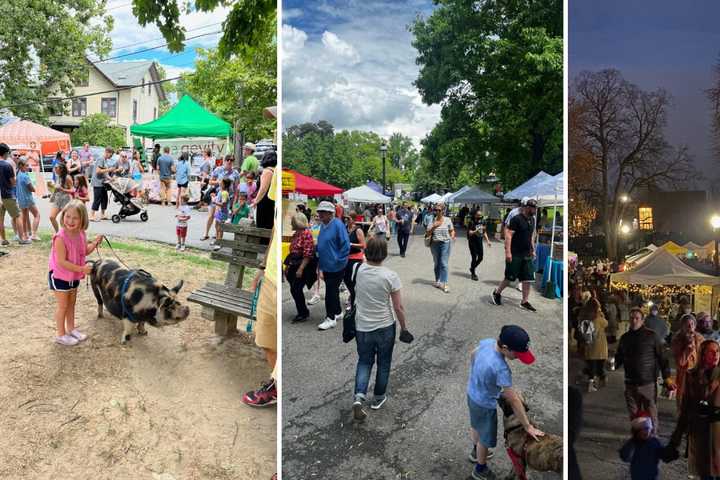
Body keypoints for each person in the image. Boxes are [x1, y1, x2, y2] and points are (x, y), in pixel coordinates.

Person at [466, 325, 544, 480]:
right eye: (517, 354)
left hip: (472, 393)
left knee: (475, 425)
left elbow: (472, 354)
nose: (518, 358)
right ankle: (480, 469)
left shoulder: (488, 343)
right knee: (485, 438)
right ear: (506, 348)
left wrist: (477, 374)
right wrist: (527, 426)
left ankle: (475, 452)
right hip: (485, 405)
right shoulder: (501, 369)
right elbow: (513, 399)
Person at [352, 236, 413, 422]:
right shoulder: (390, 276)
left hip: (362, 325)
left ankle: (359, 396)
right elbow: (398, 307)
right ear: (384, 254)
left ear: (366, 251)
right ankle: (378, 398)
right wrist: (404, 327)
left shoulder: (357, 269)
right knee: (383, 363)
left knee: (364, 361)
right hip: (385, 325)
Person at [242, 169, 278, 408]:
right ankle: (277, 387)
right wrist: (263, 267)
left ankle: (276, 385)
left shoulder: (272, 173)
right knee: (266, 340)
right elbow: (276, 227)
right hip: (270, 276)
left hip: (279, 281)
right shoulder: (274, 177)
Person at [48, 200, 104, 345]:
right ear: (63, 216)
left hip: (73, 276)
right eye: (67, 216)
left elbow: (84, 251)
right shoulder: (60, 238)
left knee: (71, 303)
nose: (70, 221)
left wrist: (95, 242)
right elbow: (62, 262)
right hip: (60, 276)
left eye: (75, 218)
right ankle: (60, 335)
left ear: (82, 220)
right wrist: (82, 269)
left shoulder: (81, 234)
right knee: (63, 306)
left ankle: (71, 329)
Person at [615, 307, 674, 435]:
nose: (634, 321)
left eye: (637, 318)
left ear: (642, 320)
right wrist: (613, 363)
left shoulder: (652, 336)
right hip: (630, 382)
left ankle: (652, 438)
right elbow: (619, 357)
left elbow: (662, 358)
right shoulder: (625, 338)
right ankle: (637, 438)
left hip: (648, 383)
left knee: (651, 412)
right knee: (634, 415)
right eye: (632, 318)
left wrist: (667, 377)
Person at [668, 339, 720, 479]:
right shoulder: (692, 376)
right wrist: (675, 440)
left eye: (717, 351)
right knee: (705, 473)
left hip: (717, 431)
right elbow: (686, 408)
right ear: (702, 354)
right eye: (711, 351)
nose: (715, 355)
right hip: (700, 432)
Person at [491, 198, 538, 311]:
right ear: (526, 207)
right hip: (515, 253)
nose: (534, 210)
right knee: (510, 277)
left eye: (535, 207)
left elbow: (531, 236)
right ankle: (497, 293)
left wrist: (533, 249)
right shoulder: (516, 219)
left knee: (527, 278)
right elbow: (509, 235)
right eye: (532, 207)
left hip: (526, 253)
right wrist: (508, 252)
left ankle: (524, 301)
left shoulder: (532, 219)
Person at [315, 200, 350, 331]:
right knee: (333, 290)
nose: (320, 215)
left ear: (330, 213)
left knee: (329, 292)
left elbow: (346, 246)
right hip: (326, 264)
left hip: (336, 266)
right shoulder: (323, 225)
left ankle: (330, 318)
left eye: (323, 212)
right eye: (319, 212)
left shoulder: (337, 225)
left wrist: (338, 260)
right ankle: (337, 311)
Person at [285, 213, 317, 323]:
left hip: (302, 265)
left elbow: (308, 254)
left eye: (293, 221)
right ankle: (302, 311)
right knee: (294, 289)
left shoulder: (306, 233)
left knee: (296, 289)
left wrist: (301, 269)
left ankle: (303, 313)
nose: (291, 223)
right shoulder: (296, 233)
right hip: (293, 264)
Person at [671, 313, 705, 410]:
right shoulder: (677, 339)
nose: (690, 327)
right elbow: (680, 362)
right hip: (683, 374)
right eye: (687, 325)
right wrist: (687, 349)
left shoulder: (699, 338)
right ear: (682, 326)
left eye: (692, 324)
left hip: (697, 373)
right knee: (682, 400)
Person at [202, 156, 239, 240]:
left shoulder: (235, 173)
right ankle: (206, 233)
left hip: (226, 198)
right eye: (227, 160)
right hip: (216, 195)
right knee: (211, 215)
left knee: (219, 217)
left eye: (231, 160)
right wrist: (219, 182)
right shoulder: (218, 169)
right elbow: (210, 181)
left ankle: (217, 236)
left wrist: (234, 203)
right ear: (224, 161)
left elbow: (236, 189)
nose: (229, 161)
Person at [0, 144, 30, 246]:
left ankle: (3, 239)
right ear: (6, 153)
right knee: (18, 215)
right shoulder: (7, 165)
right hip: (7, 195)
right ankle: (22, 239)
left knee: (1, 218)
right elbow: (13, 183)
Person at [425, 202, 455, 293]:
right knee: (437, 263)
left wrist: (452, 236)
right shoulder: (432, 220)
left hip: (445, 243)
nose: (437, 212)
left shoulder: (448, 220)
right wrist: (434, 227)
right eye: (436, 210)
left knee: (443, 263)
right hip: (434, 244)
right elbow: (427, 233)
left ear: (443, 211)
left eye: (439, 210)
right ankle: (438, 280)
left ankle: (445, 283)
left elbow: (452, 230)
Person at [581, 298, 608, 392]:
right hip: (599, 345)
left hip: (589, 344)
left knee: (591, 365)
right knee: (599, 365)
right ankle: (599, 380)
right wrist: (602, 315)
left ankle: (592, 382)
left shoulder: (586, 317)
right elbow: (606, 324)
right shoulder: (598, 319)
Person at [343, 212, 366, 308]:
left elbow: (363, 245)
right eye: (345, 218)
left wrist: (351, 244)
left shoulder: (358, 230)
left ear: (353, 219)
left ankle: (353, 302)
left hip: (356, 258)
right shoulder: (344, 228)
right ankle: (352, 296)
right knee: (346, 280)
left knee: (352, 280)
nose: (346, 220)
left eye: (348, 218)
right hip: (345, 258)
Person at [15, 157, 40, 241]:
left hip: (21, 199)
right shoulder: (25, 176)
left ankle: (25, 235)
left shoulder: (18, 174)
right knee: (37, 215)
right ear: (21, 166)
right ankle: (34, 234)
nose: (27, 167)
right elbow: (32, 188)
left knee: (24, 217)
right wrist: (34, 188)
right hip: (27, 199)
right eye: (26, 165)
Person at [252, 151, 276, 231]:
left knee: (262, 226)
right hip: (271, 201)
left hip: (264, 202)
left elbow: (263, 189)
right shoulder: (274, 171)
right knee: (269, 224)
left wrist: (256, 201)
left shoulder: (267, 171)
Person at [90, 147, 113, 222]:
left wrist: (110, 179)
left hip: (103, 183)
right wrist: (109, 169)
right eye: (111, 154)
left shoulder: (105, 160)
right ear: (107, 152)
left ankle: (102, 214)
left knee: (104, 198)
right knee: (97, 199)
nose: (111, 156)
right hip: (97, 182)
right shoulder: (100, 159)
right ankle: (92, 215)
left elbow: (105, 173)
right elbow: (98, 171)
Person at [49, 163, 75, 233]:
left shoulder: (67, 177)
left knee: (65, 220)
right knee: (52, 217)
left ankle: (65, 234)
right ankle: (57, 233)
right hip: (57, 199)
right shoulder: (58, 176)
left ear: (61, 169)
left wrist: (63, 189)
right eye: (54, 167)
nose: (54, 169)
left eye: (56, 168)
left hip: (66, 200)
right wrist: (52, 189)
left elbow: (73, 190)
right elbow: (57, 188)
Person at [467, 209, 491, 281]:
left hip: (479, 241)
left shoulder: (483, 221)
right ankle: (473, 274)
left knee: (480, 258)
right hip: (472, 242)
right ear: (475, 215)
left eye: (481, 215)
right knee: (474, 257)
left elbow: (484, 232)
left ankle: (472, 268)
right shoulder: (471, 222)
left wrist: (488, 241)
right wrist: (476, 231)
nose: (480, 217)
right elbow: (470, 233)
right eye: (478, 215)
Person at [211, 178, 232, 251]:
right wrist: (214, 197)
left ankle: (219, 243)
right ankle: (217, 240)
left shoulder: (225, 193)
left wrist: (214, 202)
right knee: (216, 226)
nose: (219, 182)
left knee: (220, 228)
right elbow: (218, 199)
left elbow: (223, 204)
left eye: (221, 182)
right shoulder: (221, 191)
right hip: (219, 212)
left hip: (223, 213)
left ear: (224, 184)